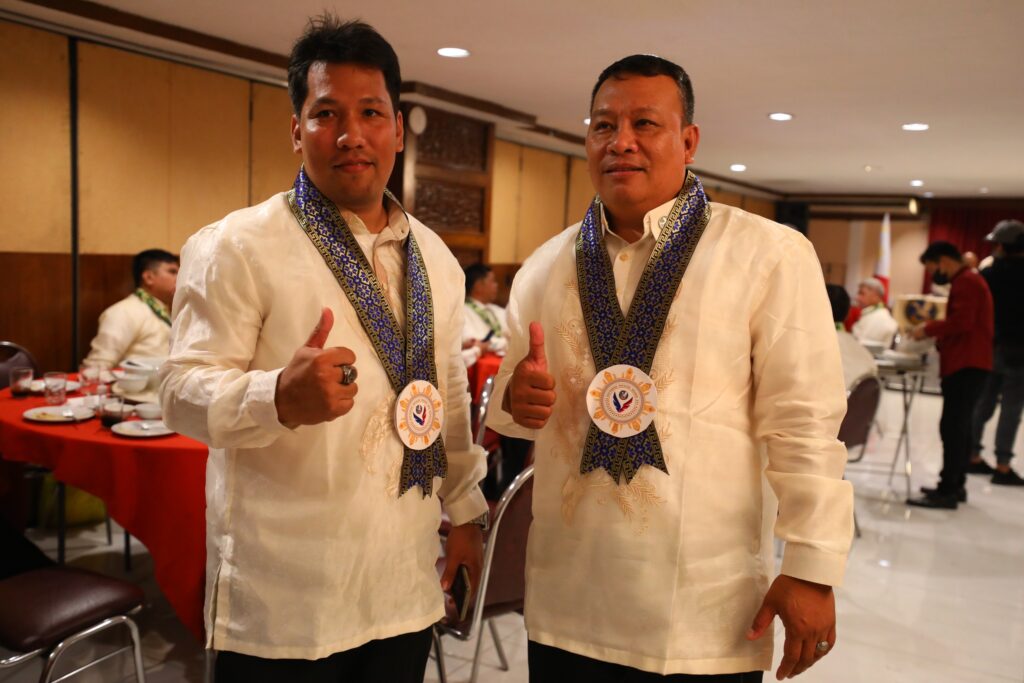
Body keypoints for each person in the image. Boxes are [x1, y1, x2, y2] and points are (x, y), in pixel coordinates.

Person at [488, 54, 853, 682]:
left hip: (703, 609)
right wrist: (515, 399)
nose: (621, 141)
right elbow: (513, 414)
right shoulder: (546, 265)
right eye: (603, 125)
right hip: (566, 597)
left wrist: (812, 567)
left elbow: (805, 420)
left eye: (645, 124)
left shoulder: (766, 254)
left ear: (688, 141)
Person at [159, 17, 487, 682]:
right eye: (326, 113)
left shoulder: (436, 259)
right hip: (286, 599)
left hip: (401, 585)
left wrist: (467, 512)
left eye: (371, 113)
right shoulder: (236, 246)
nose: (351, 134)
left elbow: (445, 396)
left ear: (398, 128)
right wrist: (274, 396)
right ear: (296, 130)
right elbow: (178, 392)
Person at [908, 241, 993, 509]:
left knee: (953, 427)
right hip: (972, 362)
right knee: (961, 427)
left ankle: (947, 490)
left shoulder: (966, 282)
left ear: (943, 261)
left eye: (932, 268)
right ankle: (956, 485)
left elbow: (962, 322)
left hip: (965, 363)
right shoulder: (968, 280)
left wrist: (927, 329)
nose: (934, 274)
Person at [969, 220, 1024, 486]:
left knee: (983, 403)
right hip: (1019, 351)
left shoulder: (988, 274)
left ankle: (972, 455)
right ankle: (1003, 465)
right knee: (1011, 409)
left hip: (990, 347)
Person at [84, 249, 178, 366]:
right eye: (172, 272)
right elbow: (97, 366)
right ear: (148, 278)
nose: (179, 278)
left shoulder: (166, 310)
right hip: (137, 378)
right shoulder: (123, 312)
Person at [827, 284, 877, 390]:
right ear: (847, 314)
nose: (857, 298)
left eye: (861, 293)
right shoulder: (866, 355)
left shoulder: (810, 347)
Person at [461, 263, 509, 367]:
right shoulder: (462, 311)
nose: (496, 285)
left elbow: (511, 332)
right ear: (478, 286)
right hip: (479, 366)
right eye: (492, 281)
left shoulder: (496, 310)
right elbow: (472, 341)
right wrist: (504, 343)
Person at [850, 277, 897, 348]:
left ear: (876, 296)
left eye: (862, 293)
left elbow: (859, 346)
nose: (857, 298)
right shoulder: (873, 313)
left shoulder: (880, 317)